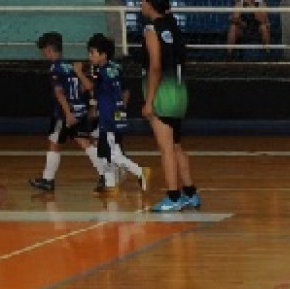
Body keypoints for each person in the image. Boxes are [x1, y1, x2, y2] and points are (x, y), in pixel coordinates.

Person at [140, 0, 197, 213]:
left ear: (151, 5)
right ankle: (190, 193)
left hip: (163, 93)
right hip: (179, 92)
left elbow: (155, 66)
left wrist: (149, 101)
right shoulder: (173, 27)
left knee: (166, 149)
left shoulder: (151, 29)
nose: (140, 5)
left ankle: (173, 196)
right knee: (176, 145)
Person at [29, 32, 100, 195]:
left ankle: (48, 180)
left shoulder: (55, 68)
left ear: (48, 50)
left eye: (43, 50)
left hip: (64, 113)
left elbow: (59, 93)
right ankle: (106, 175)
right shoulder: (71, 66)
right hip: (79, 109)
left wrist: (67, 113)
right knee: (83, 142)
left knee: (56, 143)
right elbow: (85, 87)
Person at [86, 33, 148, 194]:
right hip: (118, 113)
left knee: (111, 152)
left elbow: (89, 88)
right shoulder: (117, 68)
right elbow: (125, 92)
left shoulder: (100, 72)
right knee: (107, 150)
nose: (90, 56)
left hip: (108, 116)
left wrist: (79, 73)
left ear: (103, 55)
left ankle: (140, 172)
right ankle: (111, 184)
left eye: (93, 53)